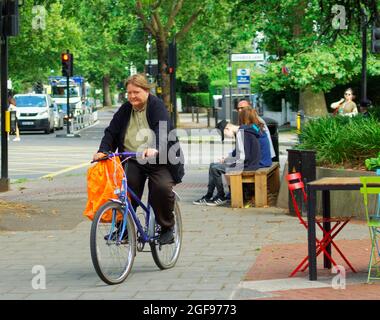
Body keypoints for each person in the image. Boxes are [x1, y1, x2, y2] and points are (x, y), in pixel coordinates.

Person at [93, 73, 184, 244]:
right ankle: (125, 229)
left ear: (146, 91)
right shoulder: (126, 109)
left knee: (161, 188)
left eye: (136, 92)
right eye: (129, 93)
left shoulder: (157, 106)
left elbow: (162, 129)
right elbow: (111, 131)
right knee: (125, 191)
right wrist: (103, 150)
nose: (132, 96)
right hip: (133, 158)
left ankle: (166, 228)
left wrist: (154, 147)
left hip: (159, 160)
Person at [193, 109, 268, 207]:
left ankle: (220, 196)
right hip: (250, 163)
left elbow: (243, 157)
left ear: (227, 128)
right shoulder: (246, 129)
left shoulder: (241, 133)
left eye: (225, 135)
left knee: (215, 168)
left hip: (247, 166)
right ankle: (209, 195)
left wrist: (229, 162)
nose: (228, 137)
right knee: (213, 165)